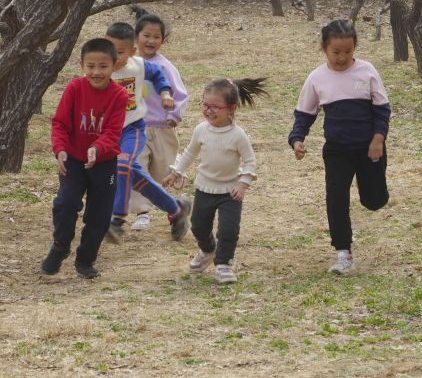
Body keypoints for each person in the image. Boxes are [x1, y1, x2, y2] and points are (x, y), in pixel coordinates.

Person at [288, 19, 391, 275]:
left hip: (370, 148)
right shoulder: (317, 78)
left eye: (348, 51)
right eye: (336, 52)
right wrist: (297, 139)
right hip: (337, 150)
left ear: (355, 48)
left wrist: (378, 139)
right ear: (324, 48)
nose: (342, 58)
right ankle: (343, 253)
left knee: (374, 201)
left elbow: (382, 109)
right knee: (336, 198)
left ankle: (376, 194)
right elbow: (305, 113)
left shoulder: (367, 71)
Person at [41, 38, 129, 279]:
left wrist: (97, 149)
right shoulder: (74, 89)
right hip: (73, 159)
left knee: (99, 215)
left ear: (114, 66)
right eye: (91, 66)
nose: (96, 72)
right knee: (66, 203)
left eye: (103, 66)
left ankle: (85, 259)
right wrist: (60, 149)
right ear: (82, 65)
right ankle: (60, 246)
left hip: (104, 163)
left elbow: (113, 132)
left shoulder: (120, 95)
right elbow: (60, 123)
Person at [164, 77, 265, 285]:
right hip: (204, 188)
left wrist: (243, 184)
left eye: (215, 107)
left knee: (228, 230)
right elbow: (189, 153)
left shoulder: (238, 135)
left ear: (231, 109)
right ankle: (207, 250)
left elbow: (249, 162)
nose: (208, 111)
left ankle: (224, 264)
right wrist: (176, 172)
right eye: (205, 104)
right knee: (199, 226)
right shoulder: (201, 130)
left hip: (230, 192)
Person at [105, 21, 191, 243]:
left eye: (120, 52)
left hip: (133, 128)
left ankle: (117, 218)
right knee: (133, 174)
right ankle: (176, 208)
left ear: (132, 52)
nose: (113, 57)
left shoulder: (139, 66)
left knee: (123, 165)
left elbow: (160, 76)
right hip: (108, 132)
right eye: (109, 50)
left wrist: (164, 94)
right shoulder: (101, 66)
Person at [127, 6, 189, 232]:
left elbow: (180, 94)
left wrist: (174, 115)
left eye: (156, 37)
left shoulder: (165, 66)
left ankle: (177, 177)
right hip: (136, 128)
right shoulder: (128, 64)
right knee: (138, 170)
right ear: (136, 37)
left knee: (163, 172)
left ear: (163, 41)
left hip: (163, 128)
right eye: (146, 36)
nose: (151, 41)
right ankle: (142, 213)